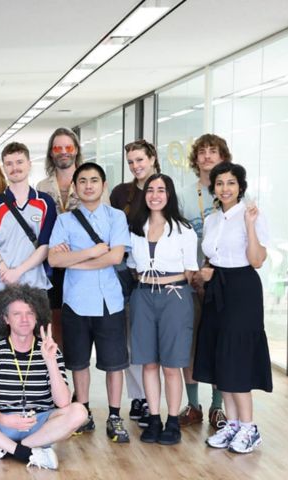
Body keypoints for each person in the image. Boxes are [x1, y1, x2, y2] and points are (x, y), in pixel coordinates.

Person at [0, 284, 86, 471]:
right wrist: (3, 420)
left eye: (30, 313)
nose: (24, 319)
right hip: (2, 422)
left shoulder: (49, 349)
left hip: (39, 424)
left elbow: (63, 402)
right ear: (6, 319)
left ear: (37, 316)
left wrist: (50, 361)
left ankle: (4, 447)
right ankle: (27, 451)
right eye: (17, 314)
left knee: (79, 411)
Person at [48, 162, 131, 443]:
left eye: (94, 180)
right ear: (75, 187)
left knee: (114, 363)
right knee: (78, 362)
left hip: (110, 301)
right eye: (82, 181)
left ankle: (115, 415)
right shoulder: (64, 221)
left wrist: (77, 260)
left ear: (103, 185)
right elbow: (54, 260)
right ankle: (82, 413)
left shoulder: (116, 217)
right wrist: (94, 252)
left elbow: (116, 257)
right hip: (76, 302)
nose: (88, 185)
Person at [193, 162, 271, 454]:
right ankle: (233, 424)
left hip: (243, 290)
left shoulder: (250, 215)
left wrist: (250, 226)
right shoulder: (213, 219)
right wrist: (207, 272)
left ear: (240, 187)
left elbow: (257, 260)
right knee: (219, 355)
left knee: (236, 356)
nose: (225, 188)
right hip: (217, 289)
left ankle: (250, 427)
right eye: (220, 183)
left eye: (231, 183)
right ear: (213, 187)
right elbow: (213, 256)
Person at [127, 174, 198, 445]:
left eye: (161, 190)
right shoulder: (135, 228)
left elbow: (190, 269)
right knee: (148, 362)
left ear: (170, 195)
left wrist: (171, 287)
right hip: (143, 295)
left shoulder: (183, 229)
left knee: (171, 365)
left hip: (175, 296)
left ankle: (172, 421)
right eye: (150, 190)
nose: (155, 195)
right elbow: (133, 265)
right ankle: (153, 419)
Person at [0, 142, 56, 344]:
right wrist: (5, 271)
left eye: (19, 162)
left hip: (35, 286)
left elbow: (45, 246)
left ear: (29, 164)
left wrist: (17, 272)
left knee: (38, 347)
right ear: (4, 167)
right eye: (9, 163)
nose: (15, 167)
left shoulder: (45, 202)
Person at [176, 134, 232, 429]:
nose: (208, 156)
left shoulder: (233, 191)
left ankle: (217, 407)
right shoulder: (185, 194)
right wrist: (191, 271)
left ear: (224, 156)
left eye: (214, 151)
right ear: (195, 158)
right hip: (190, 280)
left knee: (220, 344)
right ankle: (193, 405)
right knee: (190, 345)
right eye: (202, 152)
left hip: (223, 281)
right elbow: (179, 237)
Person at [110, 139, 162, 427]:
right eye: (131, 162)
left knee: (152, 340)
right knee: (129, 341)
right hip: (125, 274)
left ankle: (156, 399)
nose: (136, 166)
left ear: (152, 158)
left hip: (159, 276)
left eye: (140, 160)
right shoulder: (121, 194)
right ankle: (139, 398)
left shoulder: (165, 188)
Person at [35, 127, 84, 349]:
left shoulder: (90, 181)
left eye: (68, 147)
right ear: (51, 153)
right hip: (52, 263)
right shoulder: (42, 187)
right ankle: (58, 372)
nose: (63, 152)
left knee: (78, 322)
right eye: (58, 148)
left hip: (82, 261)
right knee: (53, 321)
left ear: (76, 150)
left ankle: (76, 375)